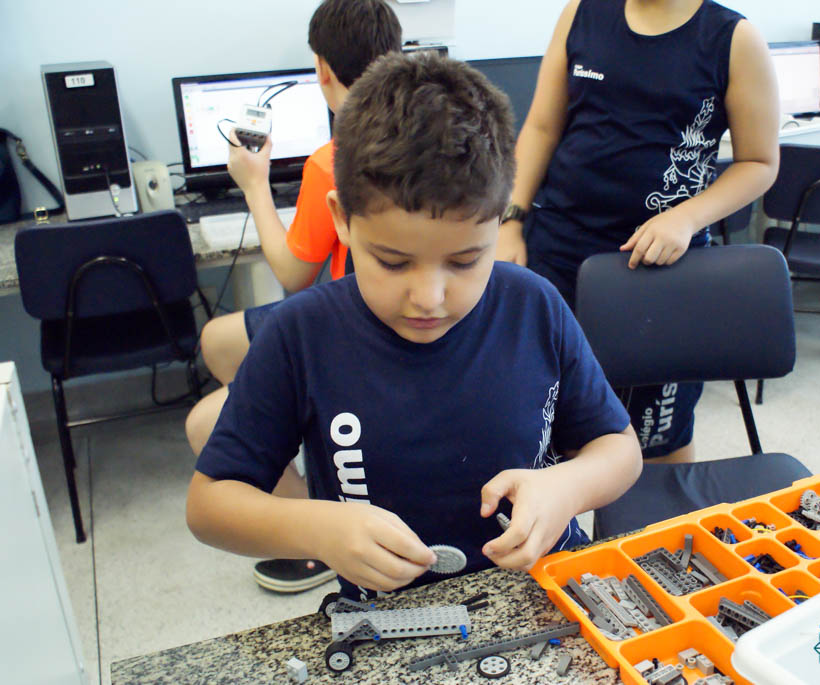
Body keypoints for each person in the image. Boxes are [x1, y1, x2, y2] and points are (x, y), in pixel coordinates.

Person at [185, 52, 643, 602]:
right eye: (394, 262)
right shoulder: (300, 336)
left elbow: (620, 449)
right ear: (341, 219)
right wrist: (316, 527)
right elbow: (209, 505)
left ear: (499, 221)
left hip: (543, 591)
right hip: (388, 616)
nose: (429, 298)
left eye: (465, 261)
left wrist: (566, 487)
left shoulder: (535, 306)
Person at [496, 0, 780, 465]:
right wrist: (510, 220)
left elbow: (760, 162)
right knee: (547, 424)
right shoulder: (582, 13)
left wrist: (687, 217)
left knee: (657, 438)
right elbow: (542, 128)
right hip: (561, 252)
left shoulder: (733, 38)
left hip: (660, 266)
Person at [183, 0, 402, 593]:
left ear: (322, 69)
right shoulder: (403, 139)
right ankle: (294, 424)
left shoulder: (333, 160)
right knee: (218, 340)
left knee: (205, 425)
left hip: (353, 319)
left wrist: (254, 183)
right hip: (349, 304)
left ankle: (318, 534)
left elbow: (293, 273)